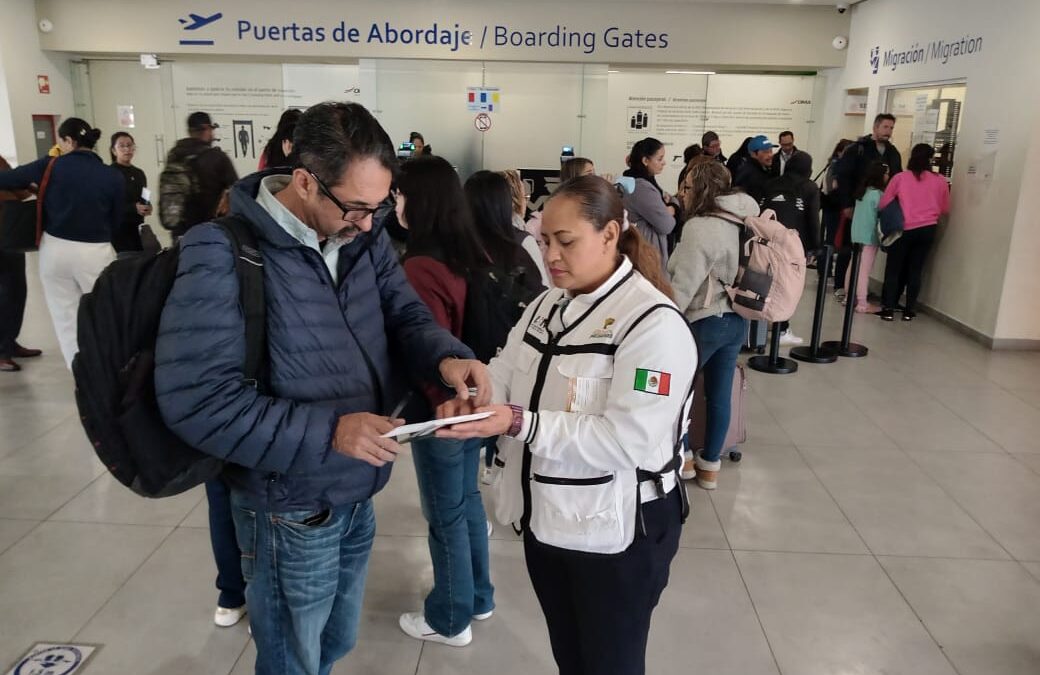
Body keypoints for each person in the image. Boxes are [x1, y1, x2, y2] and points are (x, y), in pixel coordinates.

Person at [154, 102, 491, 675]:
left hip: (357, 490)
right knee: (292, 657)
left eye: (380, 206)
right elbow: (198, 402)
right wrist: (331, 431)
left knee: (331, 643)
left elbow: (406, 316)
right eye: (356, 207)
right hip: (286, 506)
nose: (368, 221)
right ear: (306, 181)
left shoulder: (365, 237)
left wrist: (448, 359)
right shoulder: (222, 251)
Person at [438, 174, 696, 675]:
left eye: (566, 242)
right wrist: (473, 393)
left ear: (610, 234)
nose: (551, 256)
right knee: (572, 657)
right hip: (549, 522)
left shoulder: (653, 326)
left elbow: (629, 443)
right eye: (543, 241)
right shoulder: (545, 305)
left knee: (610, 664)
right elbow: (506, 371)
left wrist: (517, 422)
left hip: (617, 536)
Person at [394, 158, 541, 647]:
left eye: (400, 194)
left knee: (445, 516)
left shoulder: (420, 267)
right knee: (466, 503)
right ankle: (478, 596)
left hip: (442, 411)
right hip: (478, 401)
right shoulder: (466, 253)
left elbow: (424, 344)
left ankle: (449, 616)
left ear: (419, 201)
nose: (395, 203)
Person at [0, 118, 122, 369]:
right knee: (104, 312)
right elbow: (117, 220)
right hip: (95, 250)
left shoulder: (50, 165)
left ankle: (79, 374)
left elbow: (8, 179)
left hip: (55, 250)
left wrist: (31, 185)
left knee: (66, 318)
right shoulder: (112, 176)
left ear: (68, 141)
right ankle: (109, 367)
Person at [669, 160, 754, 490]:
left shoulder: (701, 226)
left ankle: (686, 459)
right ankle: (710, 467)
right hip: (737, 318)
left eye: (687, 187)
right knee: (720, 396)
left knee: (680, 392)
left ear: (700, 188)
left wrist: (665, 318)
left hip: (704, 320)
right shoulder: (746, 217)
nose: (682, 193)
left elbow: (685, 283)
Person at [878, 143, 949, 321]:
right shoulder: (940, 180)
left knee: (894, 269)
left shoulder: (900, 178)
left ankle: (888, 308)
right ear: (930, 159)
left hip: (903, 229)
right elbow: (945, 208)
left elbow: (884, 203)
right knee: (915, 270)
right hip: (928, 229)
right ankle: (909, 310)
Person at [834, 114, 903, 299]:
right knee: (850, 249)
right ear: (876, 127)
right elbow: (844, 176)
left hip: (879, 206)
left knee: (866, 254)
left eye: (891, 128)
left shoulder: (893, 153)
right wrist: (847, 204)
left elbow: (897, 178)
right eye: (885, 127)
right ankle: (843, 287)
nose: (888, 131)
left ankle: (857, 289)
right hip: (858, 203)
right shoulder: (858, 149)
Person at [760, 150, 819, 346]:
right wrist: (815, 248)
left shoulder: (771, 183)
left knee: (765, 282)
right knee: (787, 286)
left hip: (767, 240)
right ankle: (782, 328)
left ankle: (762, 324)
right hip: (794, 243)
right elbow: (812, 220)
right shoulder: (809, 187)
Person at [160, 111, 238, 239]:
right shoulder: (217, 158)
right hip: (211, 231)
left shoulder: (175, 154)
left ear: (190, 131)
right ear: (207, 129)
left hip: (181, 233)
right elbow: (237, 190)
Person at [0, 156, 42, 372]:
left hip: (10, 233)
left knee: (18, 290)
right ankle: (1, 351)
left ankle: (10, 342)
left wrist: (35, 189)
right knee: (5, 293)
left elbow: (16, 183)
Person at [622, 137, 679, 273]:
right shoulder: (641, 187)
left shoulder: (635, 180)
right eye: (659, 159)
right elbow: (666, 225)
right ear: (645, 161)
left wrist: (670, 205)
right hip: (648, 254)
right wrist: (672, 207)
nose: (664, 163)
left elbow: (667, 198)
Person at [846, 161, 888, 314]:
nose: (887, 176)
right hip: (869, 237)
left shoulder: (862, 193)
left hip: (856, 235)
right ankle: (862, 303)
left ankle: (849, 297)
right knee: (864, 271)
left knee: (853, 267)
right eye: (886, 173)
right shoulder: (879, 195)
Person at [109, 132, 153, 256]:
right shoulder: (110, 173)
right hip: (119, 230)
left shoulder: (139, 173)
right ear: (114, 150)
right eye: (122, 146)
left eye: (129, 145)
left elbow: (145, 196)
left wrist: (148, 206)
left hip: (138, 228)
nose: (127, 149)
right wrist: (133, 208)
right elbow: (108, 204)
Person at [821, 138, 854, 293]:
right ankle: (828, 274)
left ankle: (825, 273)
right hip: (835, 208)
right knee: (834, 242)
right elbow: (833, 187)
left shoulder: (833, 165)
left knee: (831, 240)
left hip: (831, 207)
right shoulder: (837, 167)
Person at [733, 135, 774, 203]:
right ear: (753, 154)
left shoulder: (762, 169)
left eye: (771, 151)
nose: (770, 155)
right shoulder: (749, 174)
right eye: (765, 152)